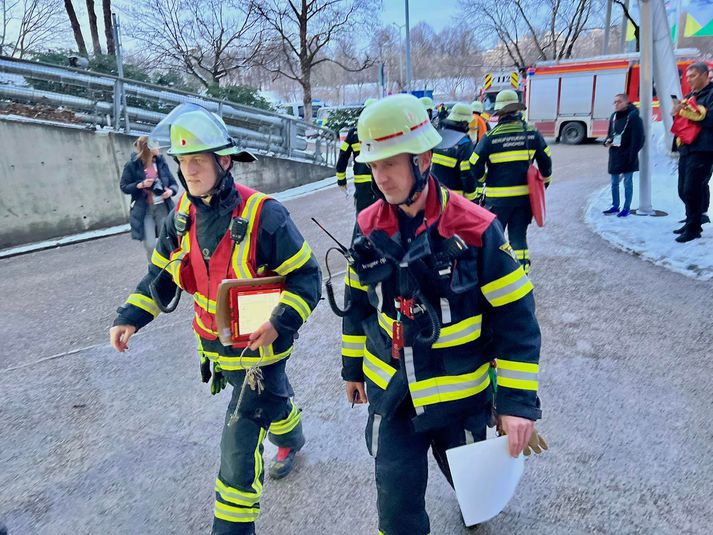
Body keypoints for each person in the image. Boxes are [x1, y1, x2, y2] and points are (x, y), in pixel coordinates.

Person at [109, 104, 321, 535]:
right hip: (218, 351)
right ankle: (292, 435)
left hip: (261, 353)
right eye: (183, 162)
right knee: (274, 402)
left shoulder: (267, 215)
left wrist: (280, 323)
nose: (189, 172)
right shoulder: (181, 216)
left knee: (238, 451)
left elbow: (306, 277)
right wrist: (129, 316)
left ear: (224, 161)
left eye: (198, 161)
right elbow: (160, 276)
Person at [339, 94, 543, 535]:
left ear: (424, 158)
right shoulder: (368, 225)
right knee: (396, 512)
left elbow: (517, 320)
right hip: (394, 397)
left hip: (459, 400)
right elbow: (357, 304)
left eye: (391, 163)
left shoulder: (476, 228)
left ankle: (477, 503)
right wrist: (352, 368)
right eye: (374, 165)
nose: (381, 177)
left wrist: (515, 403)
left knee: (477, 496)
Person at [470, 89, 552, 274]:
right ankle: (521, 276)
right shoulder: (531, 133)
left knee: (495, 239)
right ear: (517, 111)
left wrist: (484, 179)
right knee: (518, 239)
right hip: (524, 199)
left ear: (498, 113)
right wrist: (544, 182)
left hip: (497, 201)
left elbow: (474, 163)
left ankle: (496, 275)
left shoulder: (491, 137)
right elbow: (546, 160)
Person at [672, 62, 713, 242]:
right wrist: (677, 112)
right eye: (687, 77)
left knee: (692, 188)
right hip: (687, 147)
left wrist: (687, 111)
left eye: (693, 76)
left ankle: (694, 227)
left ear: (705, 75)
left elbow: (709, 119)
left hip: (704, 148)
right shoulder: (689, 96)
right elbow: (684, 120)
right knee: (683, 189)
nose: (689, 80)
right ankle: (694, 218)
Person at [120, 136, 179, 260]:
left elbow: (174, 183)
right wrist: (140, 185)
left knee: (168, 242)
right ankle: (154, 272)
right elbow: (124, 187)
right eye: (156, 145)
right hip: (144, 210)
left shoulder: (161, 162)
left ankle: (170, 271)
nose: (158, 148)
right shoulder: (132, 165)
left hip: (163, 208)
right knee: (151, 245)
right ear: (149, 148)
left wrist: (170, 191)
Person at [602, 93, 645, 218]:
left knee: (627, 182)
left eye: (619, 101)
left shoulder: (634, 116)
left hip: (627, 155)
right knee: (614, 182)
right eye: (614, 102)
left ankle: (626, 208)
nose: (616, 104)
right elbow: (610, 134)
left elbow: (639, 139)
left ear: (626, 102)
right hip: (615, 154)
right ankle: (615, 205)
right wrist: (607, 142)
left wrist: (632, 155)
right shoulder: (613, 116)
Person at [335, 98, 379, 213]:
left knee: (364, 218)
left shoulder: (354, 133)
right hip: (382, 182)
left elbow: (343, 156)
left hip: (362, 185)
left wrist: (341, 181)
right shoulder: (384, 131)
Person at [430, 102, 477, 201]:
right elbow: (467, 174)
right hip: (455, 199)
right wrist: (472, 198)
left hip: (436, 194)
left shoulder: (438, 137)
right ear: (464, 122)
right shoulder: (464, 143)